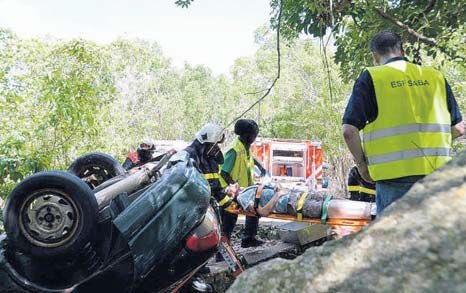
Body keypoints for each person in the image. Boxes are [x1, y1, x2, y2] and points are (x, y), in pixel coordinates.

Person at [342, 30, 464, 215]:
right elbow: (459, 128)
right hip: (436, 177)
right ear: (403, 50)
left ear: (375, 56)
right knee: (431, 240)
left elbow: (349, 131)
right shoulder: (435, 76)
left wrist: (362, 167)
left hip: (393, 181)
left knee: (395, 241)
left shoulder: (372, 78)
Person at [220, 119, 267, 248]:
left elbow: (250, 157)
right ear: (246, 135)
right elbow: (224, 172)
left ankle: (248, 239)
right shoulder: (234, 150)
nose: (255, 138)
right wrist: (234, 186)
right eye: (254, 135)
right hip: (232, 192)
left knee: (254, 211)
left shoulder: (245, 147)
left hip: (246, 190)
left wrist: (260, 166)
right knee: (229, 220)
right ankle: (222, 250)